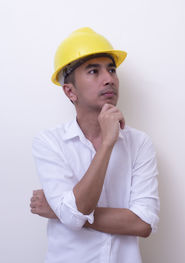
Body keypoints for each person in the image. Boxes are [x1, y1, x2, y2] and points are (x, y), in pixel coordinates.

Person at [29, 27, 160, 263]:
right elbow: (74, 213)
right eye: (93, 71)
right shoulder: (49, 143)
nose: (109, 78)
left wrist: (62, 212)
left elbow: (143, 223)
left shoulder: (139, 143)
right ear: (70, 91)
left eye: (111, 69)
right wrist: (107, 144)